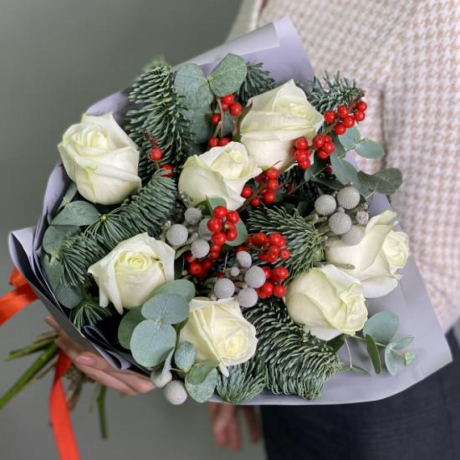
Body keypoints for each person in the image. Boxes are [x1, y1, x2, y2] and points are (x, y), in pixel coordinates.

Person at [49, 0, 460, 458]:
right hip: (286, 378)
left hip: (383, 402)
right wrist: (219, 358)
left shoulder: (435, 14)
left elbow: (440, 272)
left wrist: (213, 359)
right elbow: (219, 135)